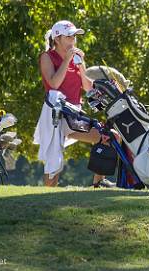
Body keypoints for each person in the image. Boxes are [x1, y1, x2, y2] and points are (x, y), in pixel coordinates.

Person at [33, 20, 114, 188]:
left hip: (74, 114)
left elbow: (86, 86)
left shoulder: (76, 58)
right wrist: (67, 60)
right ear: (57, 38)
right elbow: (54, 83)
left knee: (107, 137)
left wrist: (81, 65)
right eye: (69, 36)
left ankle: (98, 184)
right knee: (54, 162)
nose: (73, 40)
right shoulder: (47, 57)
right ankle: (45, 199)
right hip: (55, 114)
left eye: (74, 36)